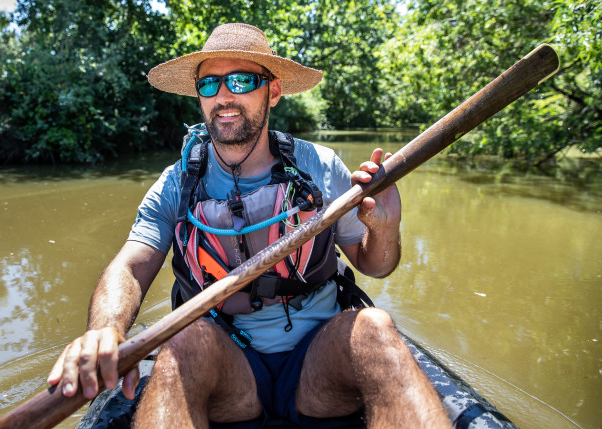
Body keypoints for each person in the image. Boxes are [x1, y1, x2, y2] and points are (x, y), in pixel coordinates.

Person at [48, 23, 450, 428]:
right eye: (209, 85)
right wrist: (104, 330)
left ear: (273, 91)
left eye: (241, 80)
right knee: (183, 342)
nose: (224, 96)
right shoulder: (177, 183)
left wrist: (384, 228)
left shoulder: (320, 166)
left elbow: (376, 265)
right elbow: (131, 266)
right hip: (229, 368)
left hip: (318, 361)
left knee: (376, 328)